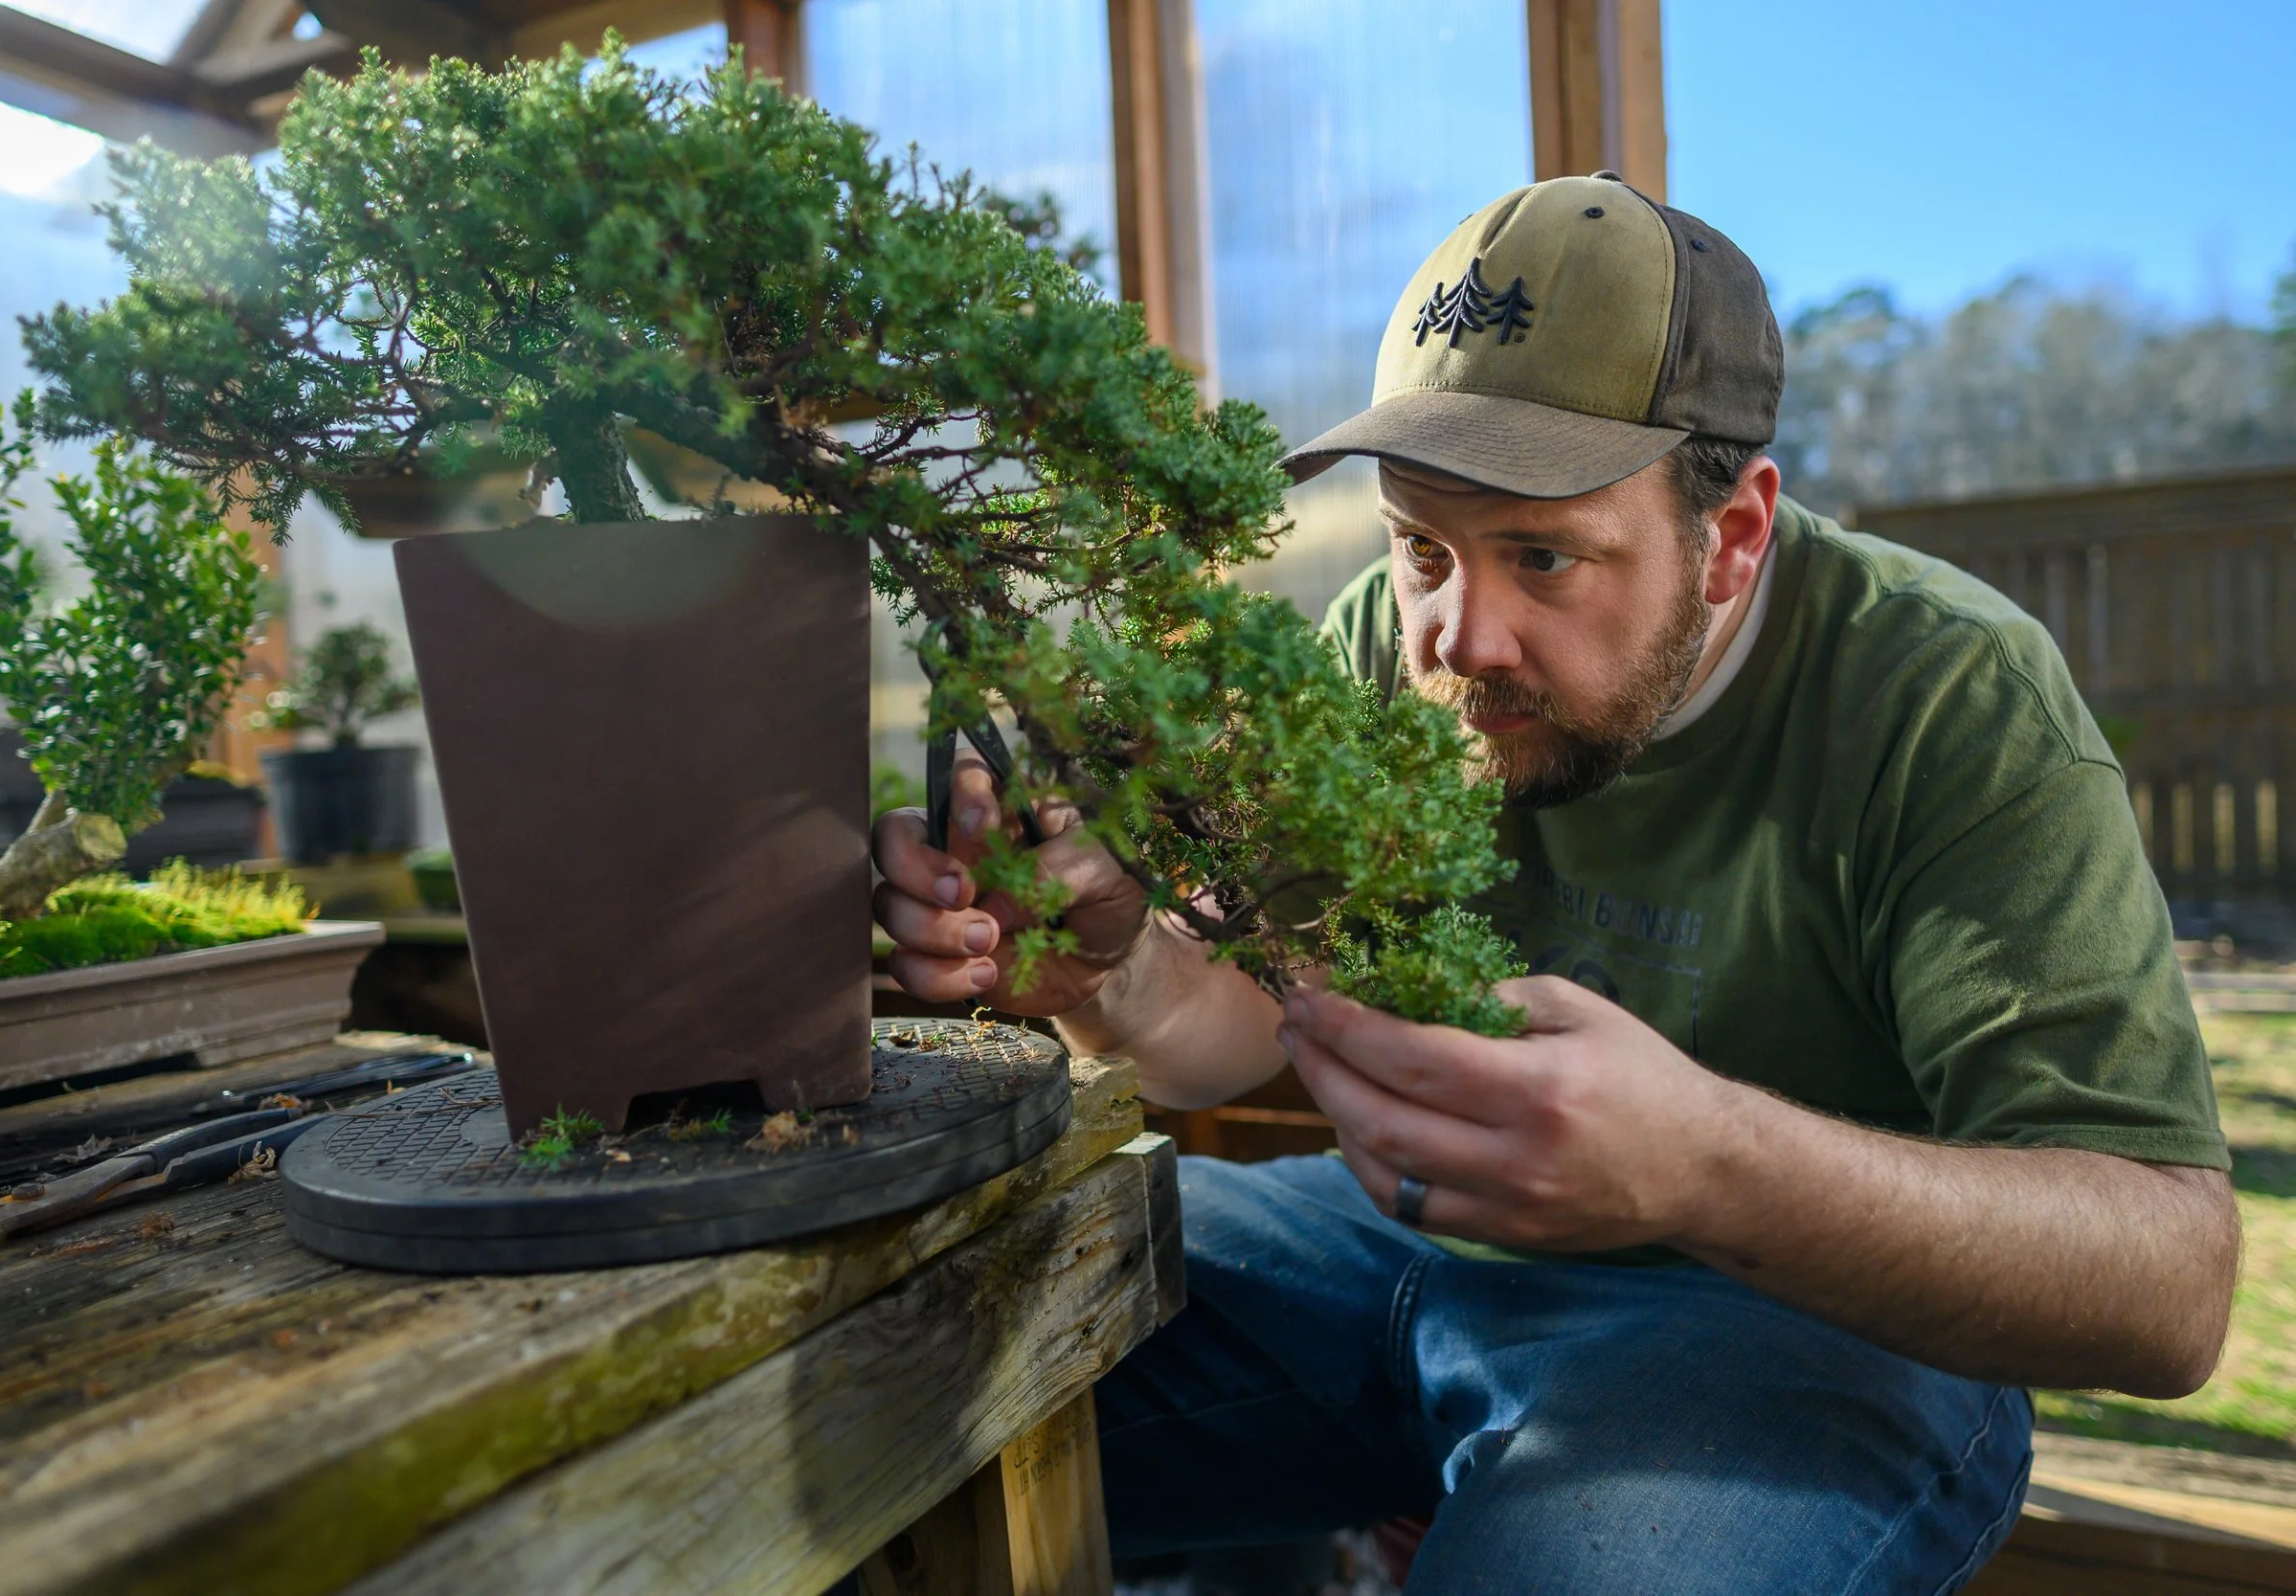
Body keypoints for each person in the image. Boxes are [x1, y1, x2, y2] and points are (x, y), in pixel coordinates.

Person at [870, 172, 2238, 1593]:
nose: (1462, 637)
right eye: (1422, 547)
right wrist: (1118, 978)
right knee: (881, 1382)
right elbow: (1244, 1013)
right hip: (1385, 1243)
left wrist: (1706, 1163)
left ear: (1737, 535)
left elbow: (2167, 1287)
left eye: (1543, 555)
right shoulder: (1383, 649)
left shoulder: (1948, 696)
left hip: (1809, 1322)